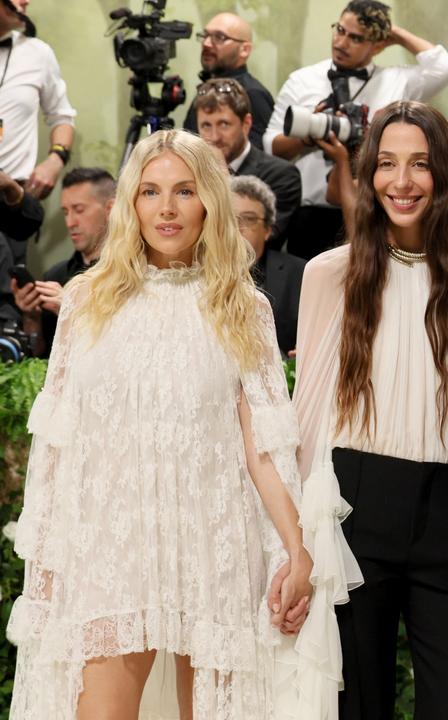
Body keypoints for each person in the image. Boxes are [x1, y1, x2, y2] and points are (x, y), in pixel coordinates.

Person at [6, 130, 322, 718]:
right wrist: (45, 573)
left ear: (210, 202)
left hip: (212, 546)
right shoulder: (85, 301)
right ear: (130, 203)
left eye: (185, 190)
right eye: (150, 191)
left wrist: (295, 550)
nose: (167, 208)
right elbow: (57, 449)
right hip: (108, 549)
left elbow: (265, 448)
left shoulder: (243, 306)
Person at [292, 100, 448, 718]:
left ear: (445, 172)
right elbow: (308, 407)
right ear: (367, 175)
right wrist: (299, 542)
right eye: (386, 164)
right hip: (354, 505)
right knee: (356, 702)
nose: (402, 181)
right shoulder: (329, 273)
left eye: (419, 164)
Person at [266, 0, 448, 260]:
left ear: (378, 45)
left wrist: (397, 34)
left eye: (356, 38)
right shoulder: (303, 79)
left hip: (371, 210)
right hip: (309, 215)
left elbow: (445, 67)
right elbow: (271, 146)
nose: (341, 42)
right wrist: (309, 137)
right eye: (340, 30)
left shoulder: (396, 82)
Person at [0, 0, 75, 267]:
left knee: (7, 302)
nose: (26, 1)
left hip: (12, 204)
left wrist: (55, 160)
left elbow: (62, 117)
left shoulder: (37, 53)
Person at [10, 167, 112, 358]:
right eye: (65, 212)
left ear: (110, 209)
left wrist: (73, 309)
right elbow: (39, 356)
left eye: (79, 210)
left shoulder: (130, 275)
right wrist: (32, 317)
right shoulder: (56, 276)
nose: (70, 222)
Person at [195, 78, 302, 248]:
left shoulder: (282, 175)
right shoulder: (191, 172)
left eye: (223, 124)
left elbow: (259, 244)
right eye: (206, 126)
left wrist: (222, 175)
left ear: (246, 124)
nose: (214, 137)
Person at [231, 175, 304, 356]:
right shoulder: (196, 270)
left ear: (268, 230)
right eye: (229, 218)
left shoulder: (300, 273)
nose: (238, 227)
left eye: (248, 219)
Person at [182, 12, 274, 150]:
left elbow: (257, 160)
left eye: (219, 37)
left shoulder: (252, 94)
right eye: (205, 35)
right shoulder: (207, 89)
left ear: (245, 49)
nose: (206, 44)